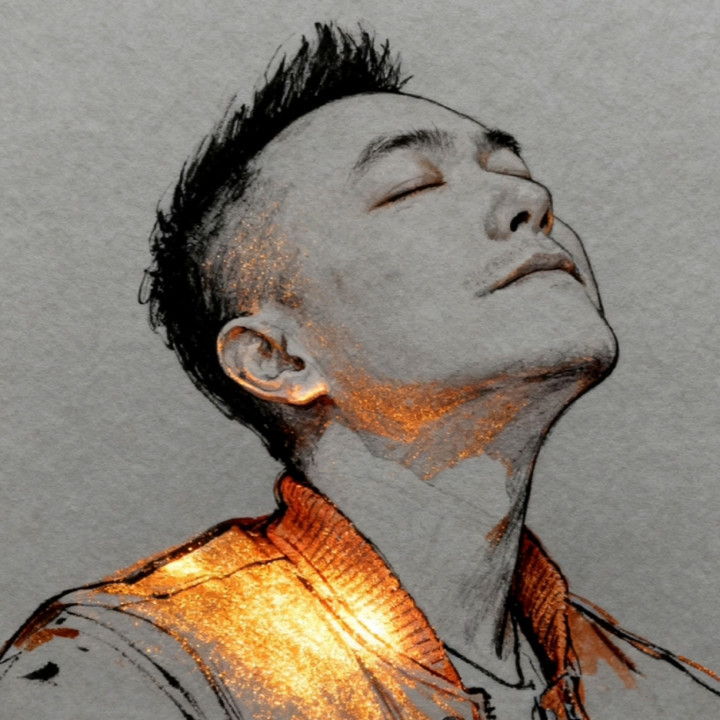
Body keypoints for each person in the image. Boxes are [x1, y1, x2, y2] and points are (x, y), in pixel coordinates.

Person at [1, 23, 718, 720]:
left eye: (513, 173)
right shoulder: (129, 666)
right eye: (410, 187)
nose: (531, 203)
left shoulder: (673, 697)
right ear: (277, 358)